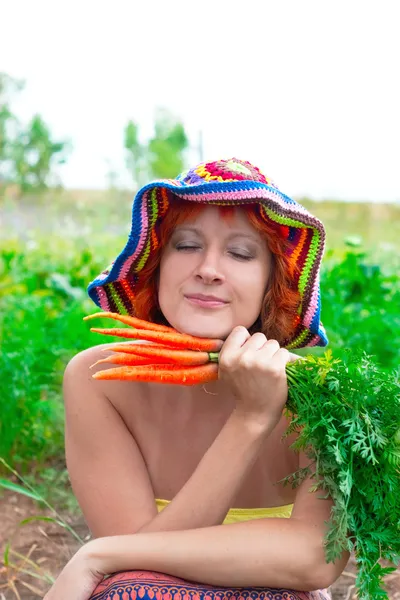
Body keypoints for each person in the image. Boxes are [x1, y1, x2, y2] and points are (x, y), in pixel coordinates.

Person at [44, 158, 349, 600]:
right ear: (157, 266)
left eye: (241, 253)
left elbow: (315, 558)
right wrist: (248, 422)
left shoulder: (318, 398)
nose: (208, 268)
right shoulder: (98, 379)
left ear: (271, 284)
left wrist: (98, 556)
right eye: (185, 245)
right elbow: (141, 575)